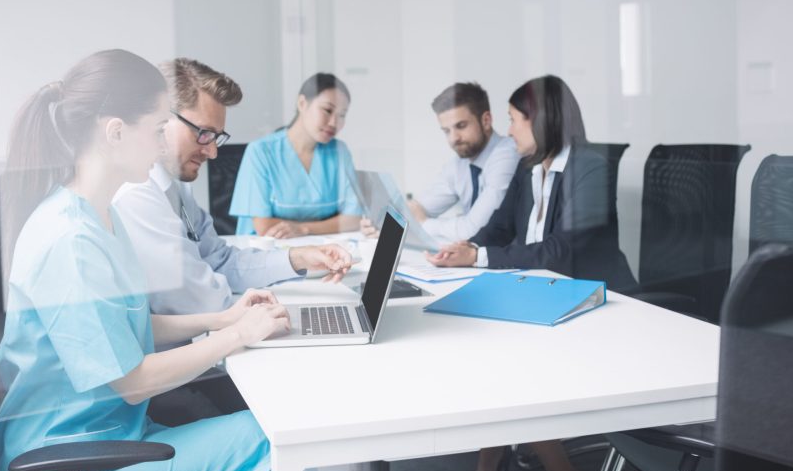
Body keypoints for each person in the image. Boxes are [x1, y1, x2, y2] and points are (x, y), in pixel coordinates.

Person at [0, 50, 331, 471]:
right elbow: (131, 381)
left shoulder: (98, 217)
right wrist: (237, 335)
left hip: (116, 442)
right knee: (274, 444)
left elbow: (127, 324)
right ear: (114, 133)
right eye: (155, 130)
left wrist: (224, 317)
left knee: (278, 462)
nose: (159, 146)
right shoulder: (70, 239)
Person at [427, 75, 635, 471]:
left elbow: (564, 252)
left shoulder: (589, 167)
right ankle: (492, 449)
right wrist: (462, 253)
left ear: (542, 122)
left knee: (508, 356)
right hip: (542, 288)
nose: (511, 130)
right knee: (470, 330)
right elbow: (500, 229)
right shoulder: (529, 168)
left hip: (592, 292)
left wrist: (479, 256)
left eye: (515, 121)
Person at [114, 58, 354, 321]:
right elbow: (199, 301)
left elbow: (221, 261)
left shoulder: (176, 187)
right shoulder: (138, 195)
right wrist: (274, 308)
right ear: (160, 120)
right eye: (203, 132)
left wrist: (298, 258)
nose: (213, 152)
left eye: (216, 136)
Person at [363, 82, 520, 244]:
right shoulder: (459, 164)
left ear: (486, 120)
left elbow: (474, 229)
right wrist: (380, 220)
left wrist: (424, 223)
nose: (453, 138)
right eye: (446, 131)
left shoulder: (508, 153)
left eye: (461, 126)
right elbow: (418, 208)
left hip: (509, 260)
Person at [229, 72, 364, 237]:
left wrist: (303, 229)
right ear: (302, 104)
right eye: (328, 110)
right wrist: (327, 225)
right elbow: (264, 226)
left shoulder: (340, 152)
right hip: (267, 254)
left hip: (324, 251)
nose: (334, 122)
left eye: (342, 115)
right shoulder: (261, 152)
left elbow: (353, 219)